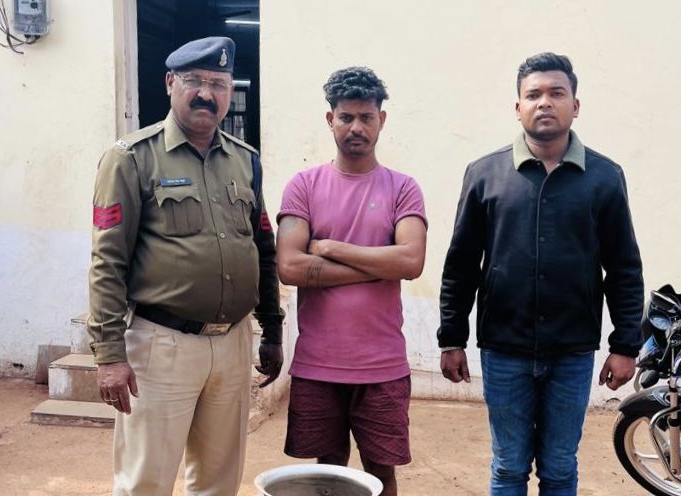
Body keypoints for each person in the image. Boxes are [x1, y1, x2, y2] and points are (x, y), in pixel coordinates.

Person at [437, 52, 644, 496]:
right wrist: (451, 338)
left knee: (560, 467)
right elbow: (461, 265)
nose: (544, 102)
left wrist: (625, 345)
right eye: (533, 95)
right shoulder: (485, 174)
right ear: (518, 107)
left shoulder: (604, 177)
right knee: (509, 466)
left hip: (572, 351)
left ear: (575, 105)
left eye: (556, 93)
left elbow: (624, 267)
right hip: (504, 349)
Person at [87, 36, 285, 496]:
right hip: (163, 346)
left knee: (218, 481)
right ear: (170, 83)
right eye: (194, 80)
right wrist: (109, 354)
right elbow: (107, 261)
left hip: (233, 343)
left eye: (218, 84)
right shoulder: (131, 158)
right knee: (145, 481)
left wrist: (271, 328)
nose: (206, 94)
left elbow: (263, 247)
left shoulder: (246, 161)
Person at [275, 66, 427, 496]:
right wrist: (380, 264)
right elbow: (290, 267)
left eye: (366, 117)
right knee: (328, 473)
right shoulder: (304, 186)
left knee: (382, 474)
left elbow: (411, 260)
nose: (356, 127)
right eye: (346, 117)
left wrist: (330, 248)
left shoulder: (403, 188)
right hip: (318, 363)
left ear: (382, 119)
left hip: (382, 365)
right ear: (330, 120)